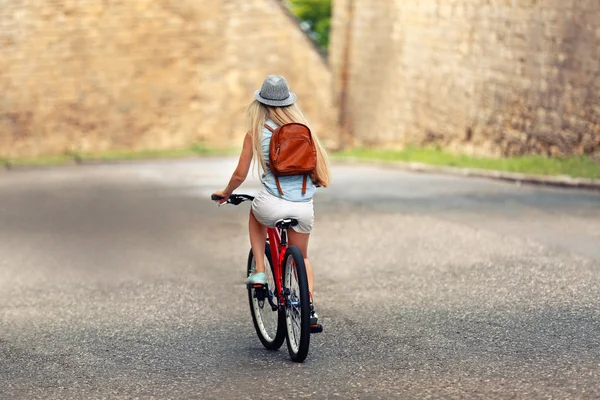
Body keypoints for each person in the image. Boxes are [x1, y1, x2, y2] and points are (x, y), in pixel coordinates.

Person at [212, 74, 331, 324]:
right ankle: (308, 309)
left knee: (256, 214)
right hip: (303, 207)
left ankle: (259, 270)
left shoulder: (255, 133)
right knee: (304, 256)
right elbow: (318, 165)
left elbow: (239, 174)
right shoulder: (304, 130)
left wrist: (226, 192)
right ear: (289, 103)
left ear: (261, 104)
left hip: (272, 204)